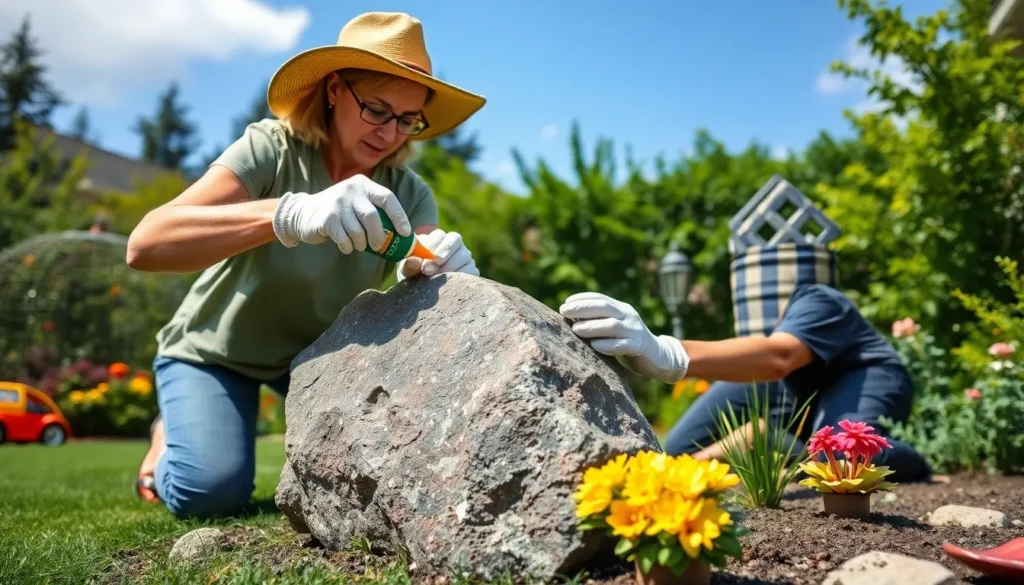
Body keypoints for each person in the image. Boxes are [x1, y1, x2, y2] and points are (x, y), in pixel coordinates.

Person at [126, 12, 486, 518]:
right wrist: (287, 213)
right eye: (378, 110)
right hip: (216, 352)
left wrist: (442, 268)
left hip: (312, 366)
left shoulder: (409, 193)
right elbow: (146, 244)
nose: (391, 134)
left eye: (408, 120)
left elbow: (423, 256)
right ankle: (165, 440)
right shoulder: (271, 150)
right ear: (336, 89)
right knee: (210, 493)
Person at [559, 283, 932, 483]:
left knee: (839, 458)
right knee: (677, 452)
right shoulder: (779, 330)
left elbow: (778, 358)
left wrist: (668, 353)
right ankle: (771, 436)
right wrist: (700, 461)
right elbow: (772, 358)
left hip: (866, 376)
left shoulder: (819, 299)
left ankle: (918, 462)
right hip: (801, 387)